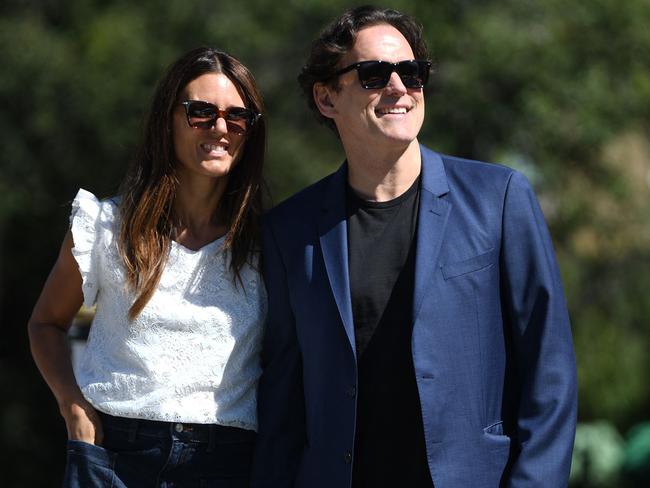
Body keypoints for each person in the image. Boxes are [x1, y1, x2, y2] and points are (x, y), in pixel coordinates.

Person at [252, 5, 577, 488]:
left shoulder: (500, 198)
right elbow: (282, 403)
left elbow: (549, 374)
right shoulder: (288, 231)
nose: (399, 88)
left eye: (412, 72)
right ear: (325, 97)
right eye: (373, 74)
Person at [28, 46, 267, 487]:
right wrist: (73, 409)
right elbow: (46, 324)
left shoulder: (267, 246)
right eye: (201, 112)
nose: (220, 128)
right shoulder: (104, 226)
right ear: (168, 120)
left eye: (237, 117)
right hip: (114, 453)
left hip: (227, 464)